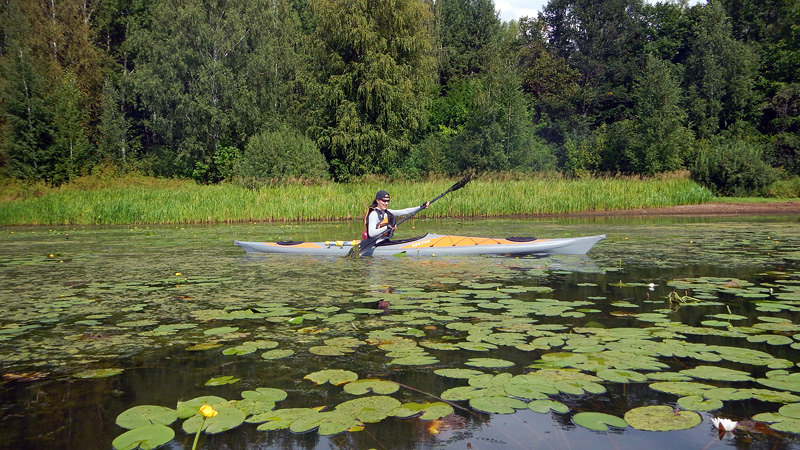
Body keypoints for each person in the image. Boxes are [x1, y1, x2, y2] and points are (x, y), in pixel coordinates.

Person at [363, 190, 429, 244]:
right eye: (384, 201)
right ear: (377, 200)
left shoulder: (387, 212)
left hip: (385, 241)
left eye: (388, 201)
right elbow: (371, 233)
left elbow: (404, 211)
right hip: (375, 243)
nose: (386, 203)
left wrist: (421, 207)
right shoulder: (374, 214)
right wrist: (387, 227)